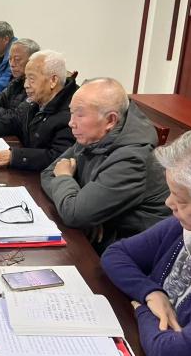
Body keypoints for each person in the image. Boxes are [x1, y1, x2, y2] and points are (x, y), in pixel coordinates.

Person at [101, 124, 191, 356]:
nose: (168, 203)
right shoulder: (185, 227)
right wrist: (151, 293)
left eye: (181, 200)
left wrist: (142, 308)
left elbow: (176, 351)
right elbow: (116, 254)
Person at [41, 78, 170, 252]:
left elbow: (74, 213)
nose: (71, 123)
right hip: (101, 235)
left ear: (110, 120)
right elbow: (49, 172)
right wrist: (90, 212)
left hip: (130, 249)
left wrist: (66, 181)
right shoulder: (93, 134)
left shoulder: (132, 159)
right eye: (71, 113)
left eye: (79, 114)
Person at [0, 50, 77, 171]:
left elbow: (59, 158)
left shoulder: (72, 112)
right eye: (26, 79)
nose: (26, 85)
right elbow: (14, 120)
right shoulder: (37, 101)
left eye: (31, 79)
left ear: (53, 81)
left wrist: (15, 157)